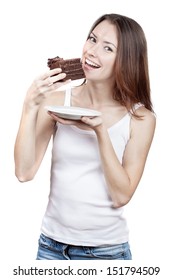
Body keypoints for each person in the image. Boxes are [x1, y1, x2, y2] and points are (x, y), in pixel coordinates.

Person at [14, 13, 156, 260]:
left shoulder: (140, 119)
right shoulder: (58, 102)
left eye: (107, 48)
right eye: (92, 39)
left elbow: (122, 195)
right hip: (51, 247)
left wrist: (100, 131)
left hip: (107, 252)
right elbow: (24, 172)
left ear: (126, 61)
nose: (92, 51)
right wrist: (29, 107)